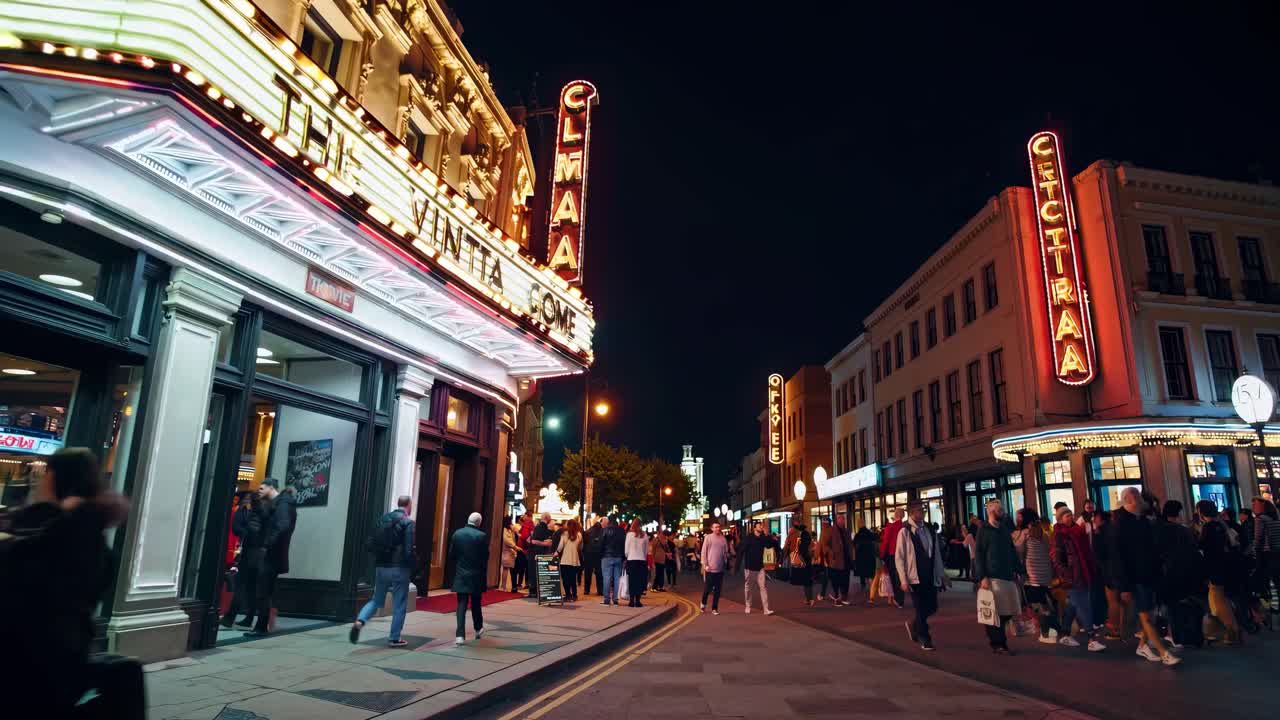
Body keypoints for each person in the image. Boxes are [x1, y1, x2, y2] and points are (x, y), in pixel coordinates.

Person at [1, 447, 143, 719]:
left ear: (53, 478)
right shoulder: (87, 534)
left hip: (31, 669)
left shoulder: (63, 534)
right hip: (58, 662)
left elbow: (21, 569)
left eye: (45, 475)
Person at [1111, 487, 1179, 665]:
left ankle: (1143, 646)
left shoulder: (1140, 520)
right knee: (1146, 617)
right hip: (1137, 578)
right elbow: (1119, 557)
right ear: (1131, 499)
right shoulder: (1122, 523)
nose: (1142, 500)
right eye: (1138, 497)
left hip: (1148, 574)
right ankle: (1164, 653)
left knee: (1150, 615)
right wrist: (1124, 586)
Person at [351, 495, 416, 646]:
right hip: (399, 568)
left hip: (381, 566)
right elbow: (408, 550)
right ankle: (394, 638)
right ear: (408, 505)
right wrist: (413, 567)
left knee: (376, 600)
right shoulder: (407, 522)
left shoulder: (382, 519)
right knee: (399, 603)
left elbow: (370, 542)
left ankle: (360, 621)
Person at [246, 477, 297, 637]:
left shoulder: (283, 504)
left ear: (270, 488)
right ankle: (261, 626)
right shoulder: (275, 504)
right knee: (263, 590)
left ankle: (261, 627)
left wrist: (267, 544)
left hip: (272, 554)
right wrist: (255, 503)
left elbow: (283, 526)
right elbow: (263, 518)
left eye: (261, 488)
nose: (259, 491)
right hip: (271, 553)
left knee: (263, 591)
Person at [1052, 506, 1106, 652]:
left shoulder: (1077, 530)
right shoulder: (1060, 534)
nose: (1069, 517)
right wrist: (1067, 575)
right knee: (1084, 605)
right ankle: (1091, 638)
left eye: (1070, 514)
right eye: (1066, 516)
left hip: (1083, 572)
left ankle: (1064, 633)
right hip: (1074, 577)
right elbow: (1057, 559)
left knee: (1074, 605)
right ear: (1060, 519)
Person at [895, 501, 948, 650]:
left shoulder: (929, 529)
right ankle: (925, 638)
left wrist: (941, 574)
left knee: (932, 607)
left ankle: (914, 624)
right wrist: (903, 580)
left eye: (923, 510)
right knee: (920, 607)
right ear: (911, 513)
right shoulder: (904, 531)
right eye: (919, 510)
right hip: (914, 576)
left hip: (929, 575)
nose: (922, 513)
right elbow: (899, 557)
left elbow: (936, 553)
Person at [1013, 507, 1068, 647]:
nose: (1017, 519)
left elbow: (1018, 550)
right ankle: (1049, 632)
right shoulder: (1042, 532)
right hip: (1046, 574)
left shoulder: (1025, 533)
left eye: (1019, 517)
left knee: (1040, 606)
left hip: (1033, 575)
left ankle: (1055, 632)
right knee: (1045, 603)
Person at [1155, 500, 1206, 648]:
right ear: (1179, 513)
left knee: (1170, 606)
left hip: (1166, 573)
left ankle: (1173, 633)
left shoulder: (1159, 529)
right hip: (1183, 573)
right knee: (1182, 603)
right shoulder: (1183, 531)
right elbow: (1193, 552)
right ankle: (1186, 634)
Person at [974, 499, 1021, 654]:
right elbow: (979, 553)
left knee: (1007, 611)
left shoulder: (1004, 529)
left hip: (1007, 575)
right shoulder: (984, 530)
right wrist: (982, 576)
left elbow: (1011, 550)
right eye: (1000, 511)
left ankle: (999, 641)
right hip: (992, 576)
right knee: (995, 611)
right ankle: (998, 643)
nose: (1003, 513)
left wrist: (1018, 569)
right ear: (992, 512)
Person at [1196, 500, 1241, 646]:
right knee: (1221, 598)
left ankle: (1231, 631)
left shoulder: (1209, 527)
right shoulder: (1222, 525)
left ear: (1201, 512)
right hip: (1227, 565)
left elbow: (1202, 546)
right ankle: (1232, 629)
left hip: (1215, 567)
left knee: (1219, 599)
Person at [220, 491, 263, 628]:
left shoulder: (248, 512)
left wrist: (246, 534)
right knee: (251, 587)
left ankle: (229, 618)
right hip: (259, 553)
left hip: (250, 552)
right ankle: (249, 618)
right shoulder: (263, 512)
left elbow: (239, 529)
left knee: (240, 585)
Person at [448, 512, 489, 644]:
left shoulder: (457, 534)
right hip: (476, 574)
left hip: (461, 572)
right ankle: (478, 628)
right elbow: (485, 557)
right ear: (479, 523)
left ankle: (460, 635)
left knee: (461, 604)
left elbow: (452, 554)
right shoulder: (481, 536)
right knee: (476, 602)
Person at [741, 521, 779, 615]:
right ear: (754, 528)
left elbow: (770, 545)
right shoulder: (749, 537)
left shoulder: (763, 538)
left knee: (763, 587)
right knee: (748, 588)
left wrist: (767, 535)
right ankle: (748, 606)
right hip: (749, 567)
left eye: (762, 525)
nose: (761, 527)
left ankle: (766, 609)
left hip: (760, 567)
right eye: (759, 525)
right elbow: (742, 549)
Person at [820, 513, 853, 606]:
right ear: (837, 520)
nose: (843, 521)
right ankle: (837, 597)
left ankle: (844, 597)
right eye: (841, 519)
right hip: (836, 560)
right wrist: (831, 552)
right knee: (836, 580)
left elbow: (849, 544)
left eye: (843, 519)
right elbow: (824, 545)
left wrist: (852, 556)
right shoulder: (831, 530)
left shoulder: (846, 531)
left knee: (846, 579)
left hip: (846, 559)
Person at [701, 521, 729, 614]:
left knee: (718, 590)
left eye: (718, 527)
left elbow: (725, 552)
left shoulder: (723, 539)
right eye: (715, 527)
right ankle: (703, 604)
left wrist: (726, 560)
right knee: (707, 589)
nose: (717, 528)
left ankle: (714, 608)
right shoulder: (708, 538)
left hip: (720, 569)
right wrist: (705, 565)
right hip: (710, 568)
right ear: (712, 528)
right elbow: (704, 552)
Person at [881, 509, 906, 608]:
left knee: (894, 577)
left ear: (895, 515)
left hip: (892, 554)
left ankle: (897, 598)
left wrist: (882, 554)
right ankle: (900, 599)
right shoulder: (905, 527)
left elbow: (885, 542)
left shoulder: (891, 527)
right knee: (901, 576)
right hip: (904, 555)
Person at [526, 512, 554, 598]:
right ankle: (534, 591)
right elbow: (534, 541)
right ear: (547, 518)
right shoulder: (542, 528)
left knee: (534, 572)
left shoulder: (539, 527)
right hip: (538, 553)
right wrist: (545, 543)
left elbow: (532, 540)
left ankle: (533, 591)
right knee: (536, 572)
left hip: (535, 553)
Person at [787, 521, 815, 606]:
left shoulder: (800, 537)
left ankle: (809, 599)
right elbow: (810, 547)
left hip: (803, 560)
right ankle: (809, 598)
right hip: (808, 559)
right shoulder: (807, 536)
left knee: (806, 580)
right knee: (808, 580)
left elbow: (800, 550)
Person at [600, 515, 626, 605]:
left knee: (607, 578)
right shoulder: (622, 531)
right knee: (616, 579)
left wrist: (601, 554)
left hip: (606, 556)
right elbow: (624, 545)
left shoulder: (605, 530)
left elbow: (601, 544)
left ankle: (606, 599)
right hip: (618, 557)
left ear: (609, 521)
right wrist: (624, 557)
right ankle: (615, 599)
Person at [624, 519, 649, 607]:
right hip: (641, 561)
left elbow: (626, 550)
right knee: (639, 581)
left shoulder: (629, 535)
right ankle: (638, 601)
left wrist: (628, 556)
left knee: (632, 581)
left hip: (631, 560)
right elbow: (646, 550)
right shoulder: (644, 535)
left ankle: (631, 601)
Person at [557, 518, 583, 601]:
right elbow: (581, 547)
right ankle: (574, 595)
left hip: (565, 560)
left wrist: (556, 552)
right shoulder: (579, 535)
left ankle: (568, 595)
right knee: (573, 579)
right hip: (575, 560)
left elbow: (560, 546)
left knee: (565, 579)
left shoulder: (564, 534)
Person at [582, 515, 604, 595]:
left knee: (588, 573)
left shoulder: (587, 532)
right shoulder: (602, 532)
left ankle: (586, 590)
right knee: (599, 573)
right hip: (599, 555)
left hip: (588, 555)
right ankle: (600, 590)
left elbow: (583, 544)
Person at [853, 525, 877, 598]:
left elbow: (854, 543)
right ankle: (871, 585)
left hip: (860, 555)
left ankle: (863, 584)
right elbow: (875, 539)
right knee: (869, 571)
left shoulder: (858, 534)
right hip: (869, 555)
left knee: (862, 571)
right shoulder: (869, 533)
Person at [501, 516, 519, 592]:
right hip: (507, 551)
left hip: (511, 552)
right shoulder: (504, 530)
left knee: (507, 569)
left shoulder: (510, 529)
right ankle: (503, 586)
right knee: (505, 568)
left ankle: (504, 586)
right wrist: (515, 546)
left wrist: (513, 529)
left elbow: (517, 533)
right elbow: (506, 540)